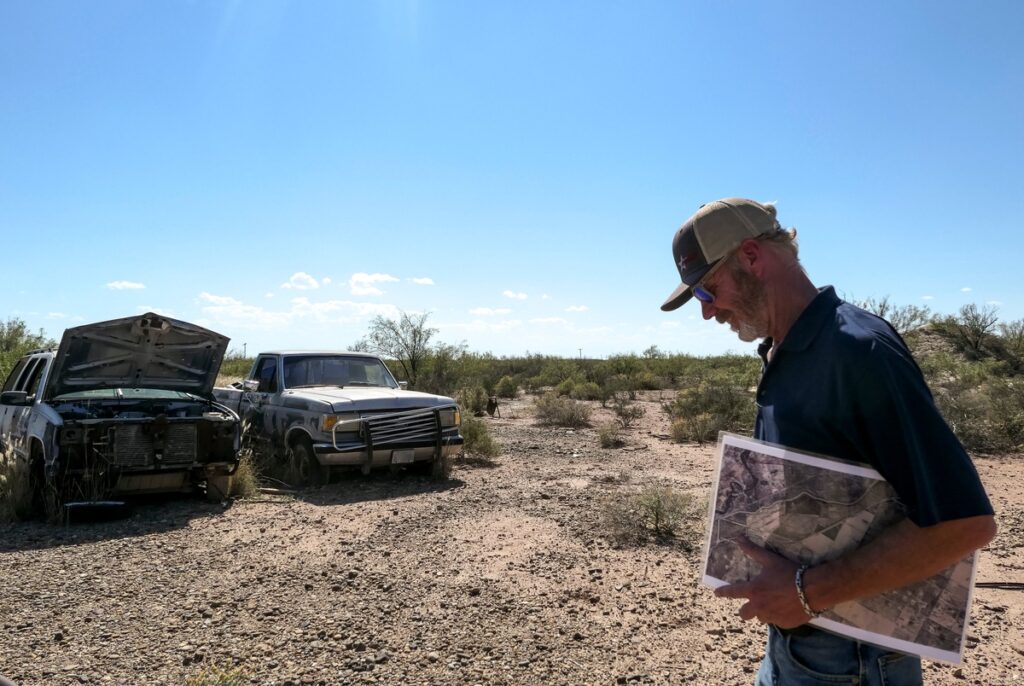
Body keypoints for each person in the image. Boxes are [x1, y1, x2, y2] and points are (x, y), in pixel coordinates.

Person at [661, 198, 997, 685]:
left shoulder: (856, 352)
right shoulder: (785, 348)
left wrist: (804, 593)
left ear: (752, 257)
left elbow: (965, 524)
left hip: (855, 660)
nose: (708, 313)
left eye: (708, 291)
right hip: (802, 645)